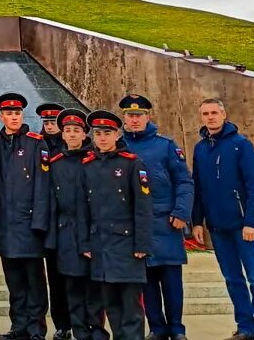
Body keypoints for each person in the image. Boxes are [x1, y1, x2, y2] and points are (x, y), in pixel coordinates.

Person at [191, 99, 254, 340]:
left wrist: (252, 222)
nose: (210, 117)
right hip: (217, 226)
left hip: (242, 226)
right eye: (206, 113)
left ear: (224, 114)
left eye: (214, 113)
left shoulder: (241, 145)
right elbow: (197, 186)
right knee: (232, 279)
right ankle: (245, 328)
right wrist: (197, 221)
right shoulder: (200, 148)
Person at [119, 95, 193, 340]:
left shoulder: (166, 145)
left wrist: (181, 212)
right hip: (137, 225)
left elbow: (183, 181)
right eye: (130, 116)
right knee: (146, 282)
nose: (134, 120)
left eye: (139, 115)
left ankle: (177, 328)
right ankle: (157, 328)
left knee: (171, 282)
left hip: (166, 222)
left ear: (148, 116)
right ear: (124, 119)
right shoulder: (120, 146)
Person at [81, 111, 152, 340]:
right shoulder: (88, 165)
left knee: (130, 306)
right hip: (100, 244)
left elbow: (142, 207)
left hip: (127, 245)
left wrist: (142, 243)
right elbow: (84, 208)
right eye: (98, 134)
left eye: (107, 133)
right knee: (110, 304)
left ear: (117, 134)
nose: (102, 138)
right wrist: (85, 242)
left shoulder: (132, 163)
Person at [0, 94, 50, 340]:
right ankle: (19, 326)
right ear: (1, 116)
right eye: (9, 114)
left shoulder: (37, 143)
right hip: (5, 225)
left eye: (17, 113)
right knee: (14, 281)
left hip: (29, 226)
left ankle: (36, 328)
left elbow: (43, 186)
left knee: (34, 281)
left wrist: (39, 223)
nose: (14, 117)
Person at [45, 109, 104, 340]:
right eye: (67, 130)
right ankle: (79, 331)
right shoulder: (55, 162)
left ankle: (96, 330)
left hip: (91, 230)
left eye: (76, 130)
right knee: (72, 286)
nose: (71, 134)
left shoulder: (94, 160)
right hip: (65, 232)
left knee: (93, 287)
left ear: (84, 134)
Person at [34, 103, 69, 340]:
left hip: (71, 224)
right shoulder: (37, 146)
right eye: (46, 122)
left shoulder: (75, 147)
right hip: (49, 224)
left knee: (75, 279)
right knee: (55, 279)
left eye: (53, 122)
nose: (49, 126)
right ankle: (61, 324)